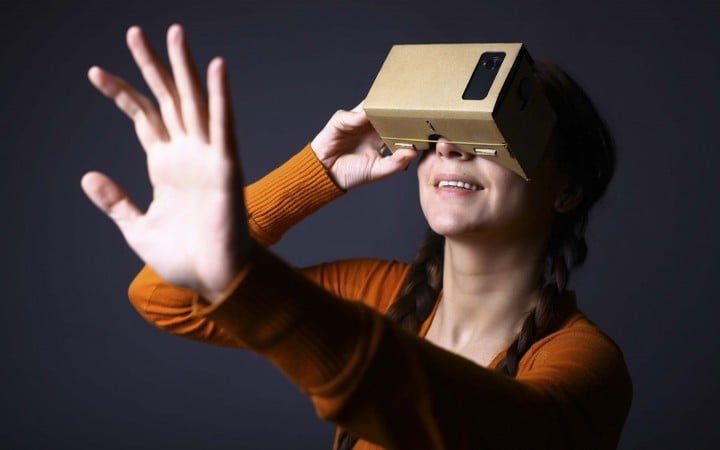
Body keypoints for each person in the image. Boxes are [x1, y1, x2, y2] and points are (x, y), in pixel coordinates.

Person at [82, 24, 632, 450]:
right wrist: (314, 171)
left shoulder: (585, 365)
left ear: (566, 189)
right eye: (439, 132)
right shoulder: (375, 290)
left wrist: (240, 273)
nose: (449, 148)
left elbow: (459, 427)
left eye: (494, 135)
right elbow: (165, 297)